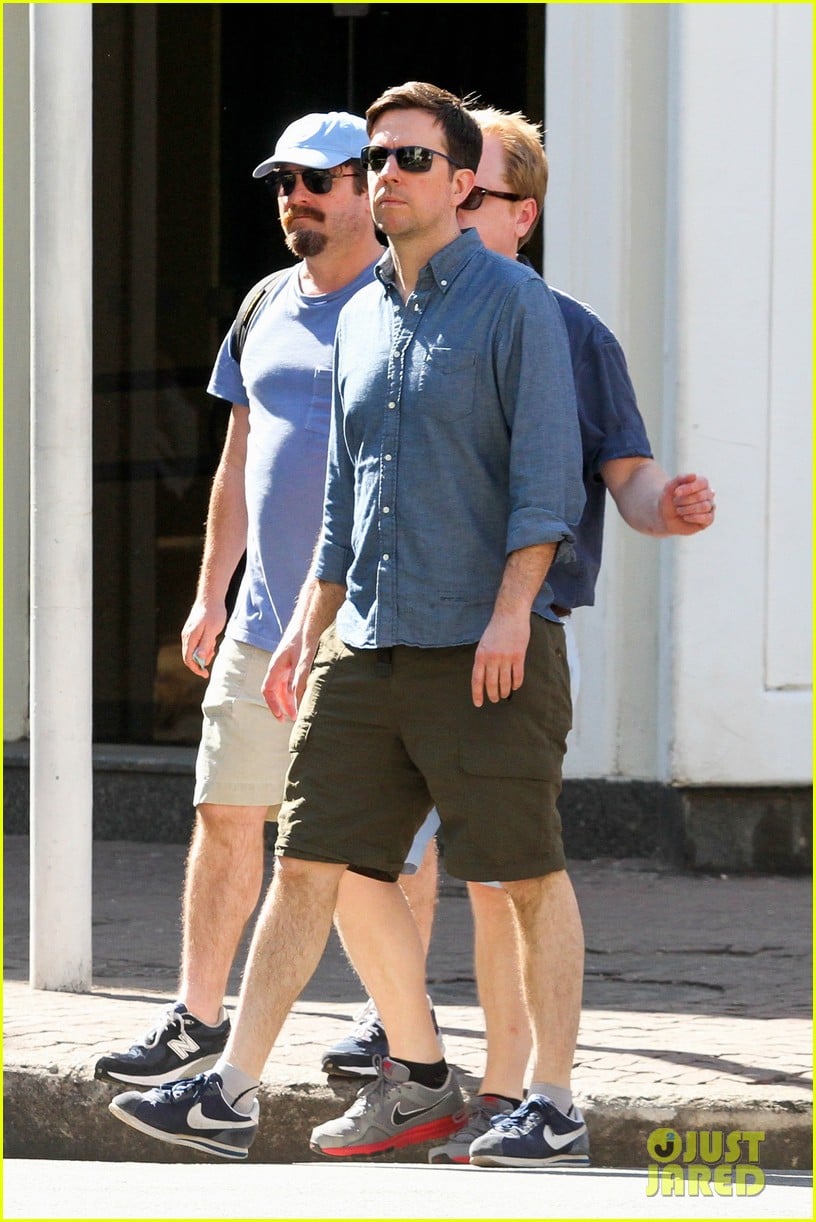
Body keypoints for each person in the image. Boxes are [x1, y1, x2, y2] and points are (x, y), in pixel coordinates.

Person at [107, 80, 588, 1169]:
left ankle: (553, 1099)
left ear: (464, 183)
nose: (386, 176)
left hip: (481, 644)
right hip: (361, 643)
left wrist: (514, 614)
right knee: (310, 853)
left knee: (522, 871)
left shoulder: (518, 307)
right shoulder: (362, 311)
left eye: (410, 159)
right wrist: (301, 630)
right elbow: (344, 503)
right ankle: (230, 1090)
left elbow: (547, 484)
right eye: (376, 158)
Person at [321, 106, 717, 1167]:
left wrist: (663, 507)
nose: (424, 186)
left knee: (503, 877)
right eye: (398, 165)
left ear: (514, 212)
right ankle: (413, 1049)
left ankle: (526, 1091)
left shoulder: (566, 328)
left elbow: (619, 477)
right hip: (400, 637)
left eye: (468, 185)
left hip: (517, 633)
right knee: (367, 858)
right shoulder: (390, 310)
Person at [94, 110, 384, 1088]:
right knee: (225, 813)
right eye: (280, 184)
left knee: (380, 840)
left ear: (361, 185)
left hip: (367, 627)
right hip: (260, 622)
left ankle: (388, 1022)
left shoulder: (404, 302)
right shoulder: (264, 302)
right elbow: (236, 460)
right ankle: (195, 1019)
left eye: (310, 181)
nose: (291, 200)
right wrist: (207, 595)